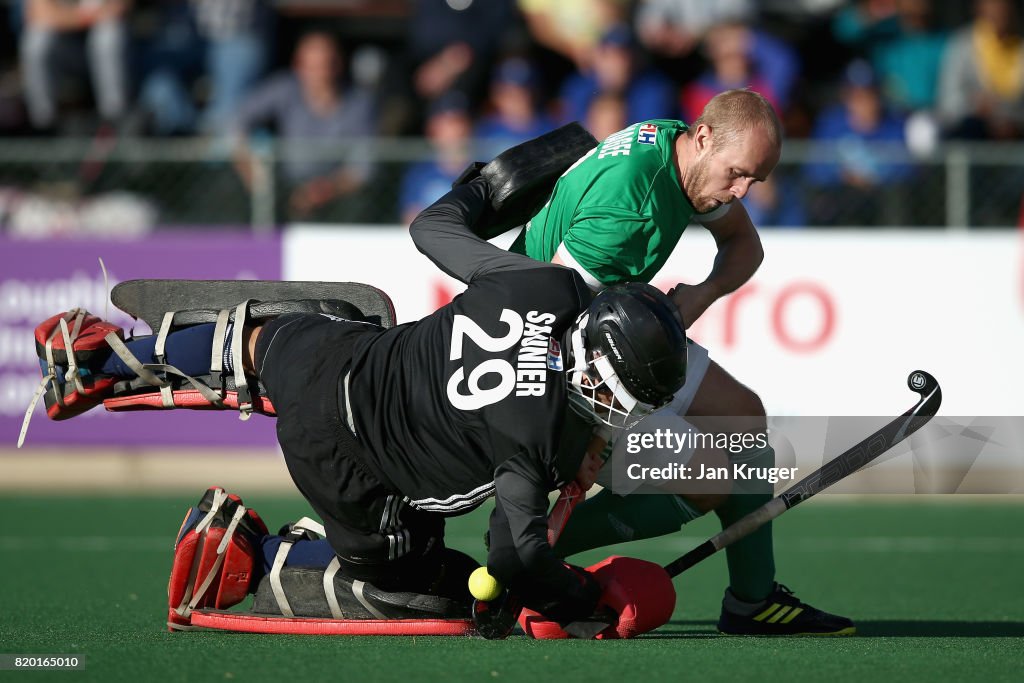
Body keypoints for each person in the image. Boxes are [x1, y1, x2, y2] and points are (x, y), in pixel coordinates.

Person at [31, 178, 689, 634]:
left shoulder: (546, 281)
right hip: (346, 460)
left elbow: (433, 228)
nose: (614, 413)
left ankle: (104, 359)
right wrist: (581, 598)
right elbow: (513, 555)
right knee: (433, 594)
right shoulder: (538, 438)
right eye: (614, 397)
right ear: (594, 367)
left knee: (278, 340)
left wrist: (486, 185)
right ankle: (242, 560)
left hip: (329, 349)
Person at [499, 88, 856, 635]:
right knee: (716, 476)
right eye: (738, 175)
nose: (742, 192)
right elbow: (560, 331)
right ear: (707, 137)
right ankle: (526, 557)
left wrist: (703, 294)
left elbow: (745, 247)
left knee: (741, 418)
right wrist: (593, 441)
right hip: (548, 359)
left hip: (615, 328)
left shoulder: (679, 147)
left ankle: (753, 601)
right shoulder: (629, 209)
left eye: (753, 181)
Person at [230, 31, 376, 222]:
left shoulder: (359, 103)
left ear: (339, 65)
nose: (321, 74)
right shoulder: (284, 89)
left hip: (336, 193)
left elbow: (363, 169)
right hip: (283, 186)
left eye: (326, 65)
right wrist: (250, 170)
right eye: (312, 67)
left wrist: (325, 189)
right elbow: (236, 121)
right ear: (298, 67)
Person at [19, 0, 131, 132]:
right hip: (65, 49)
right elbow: (40, 14)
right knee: (37, 41)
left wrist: (67, 17)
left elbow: (118, 8)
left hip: (118, 50)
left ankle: (115, 120)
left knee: (108, 36)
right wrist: (85, 17)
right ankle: (43, 125)